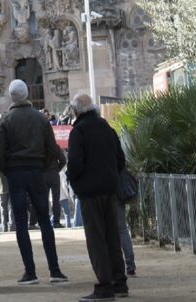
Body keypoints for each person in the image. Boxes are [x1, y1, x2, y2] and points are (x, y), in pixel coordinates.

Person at [0, 79, 68, 286]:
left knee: (21, 223)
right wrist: (44, 168)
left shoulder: (6, 120)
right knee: (44, 220)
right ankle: (54, 269)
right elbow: (52, 148)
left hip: (15, 174)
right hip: (36, 172)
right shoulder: (40, 119)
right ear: (27, 95)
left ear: (11, 96)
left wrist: (7, 170)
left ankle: (30, 272)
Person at [66, 91, 128, 301]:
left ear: (75, 111)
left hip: (90, 192)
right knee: (112, 237)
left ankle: (104, 286)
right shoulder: (107, 128)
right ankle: (119, 282)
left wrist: (74, 181)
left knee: (96, 240)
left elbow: (74, 163)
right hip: (110, 188)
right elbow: (121, 159)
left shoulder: (79, 132)